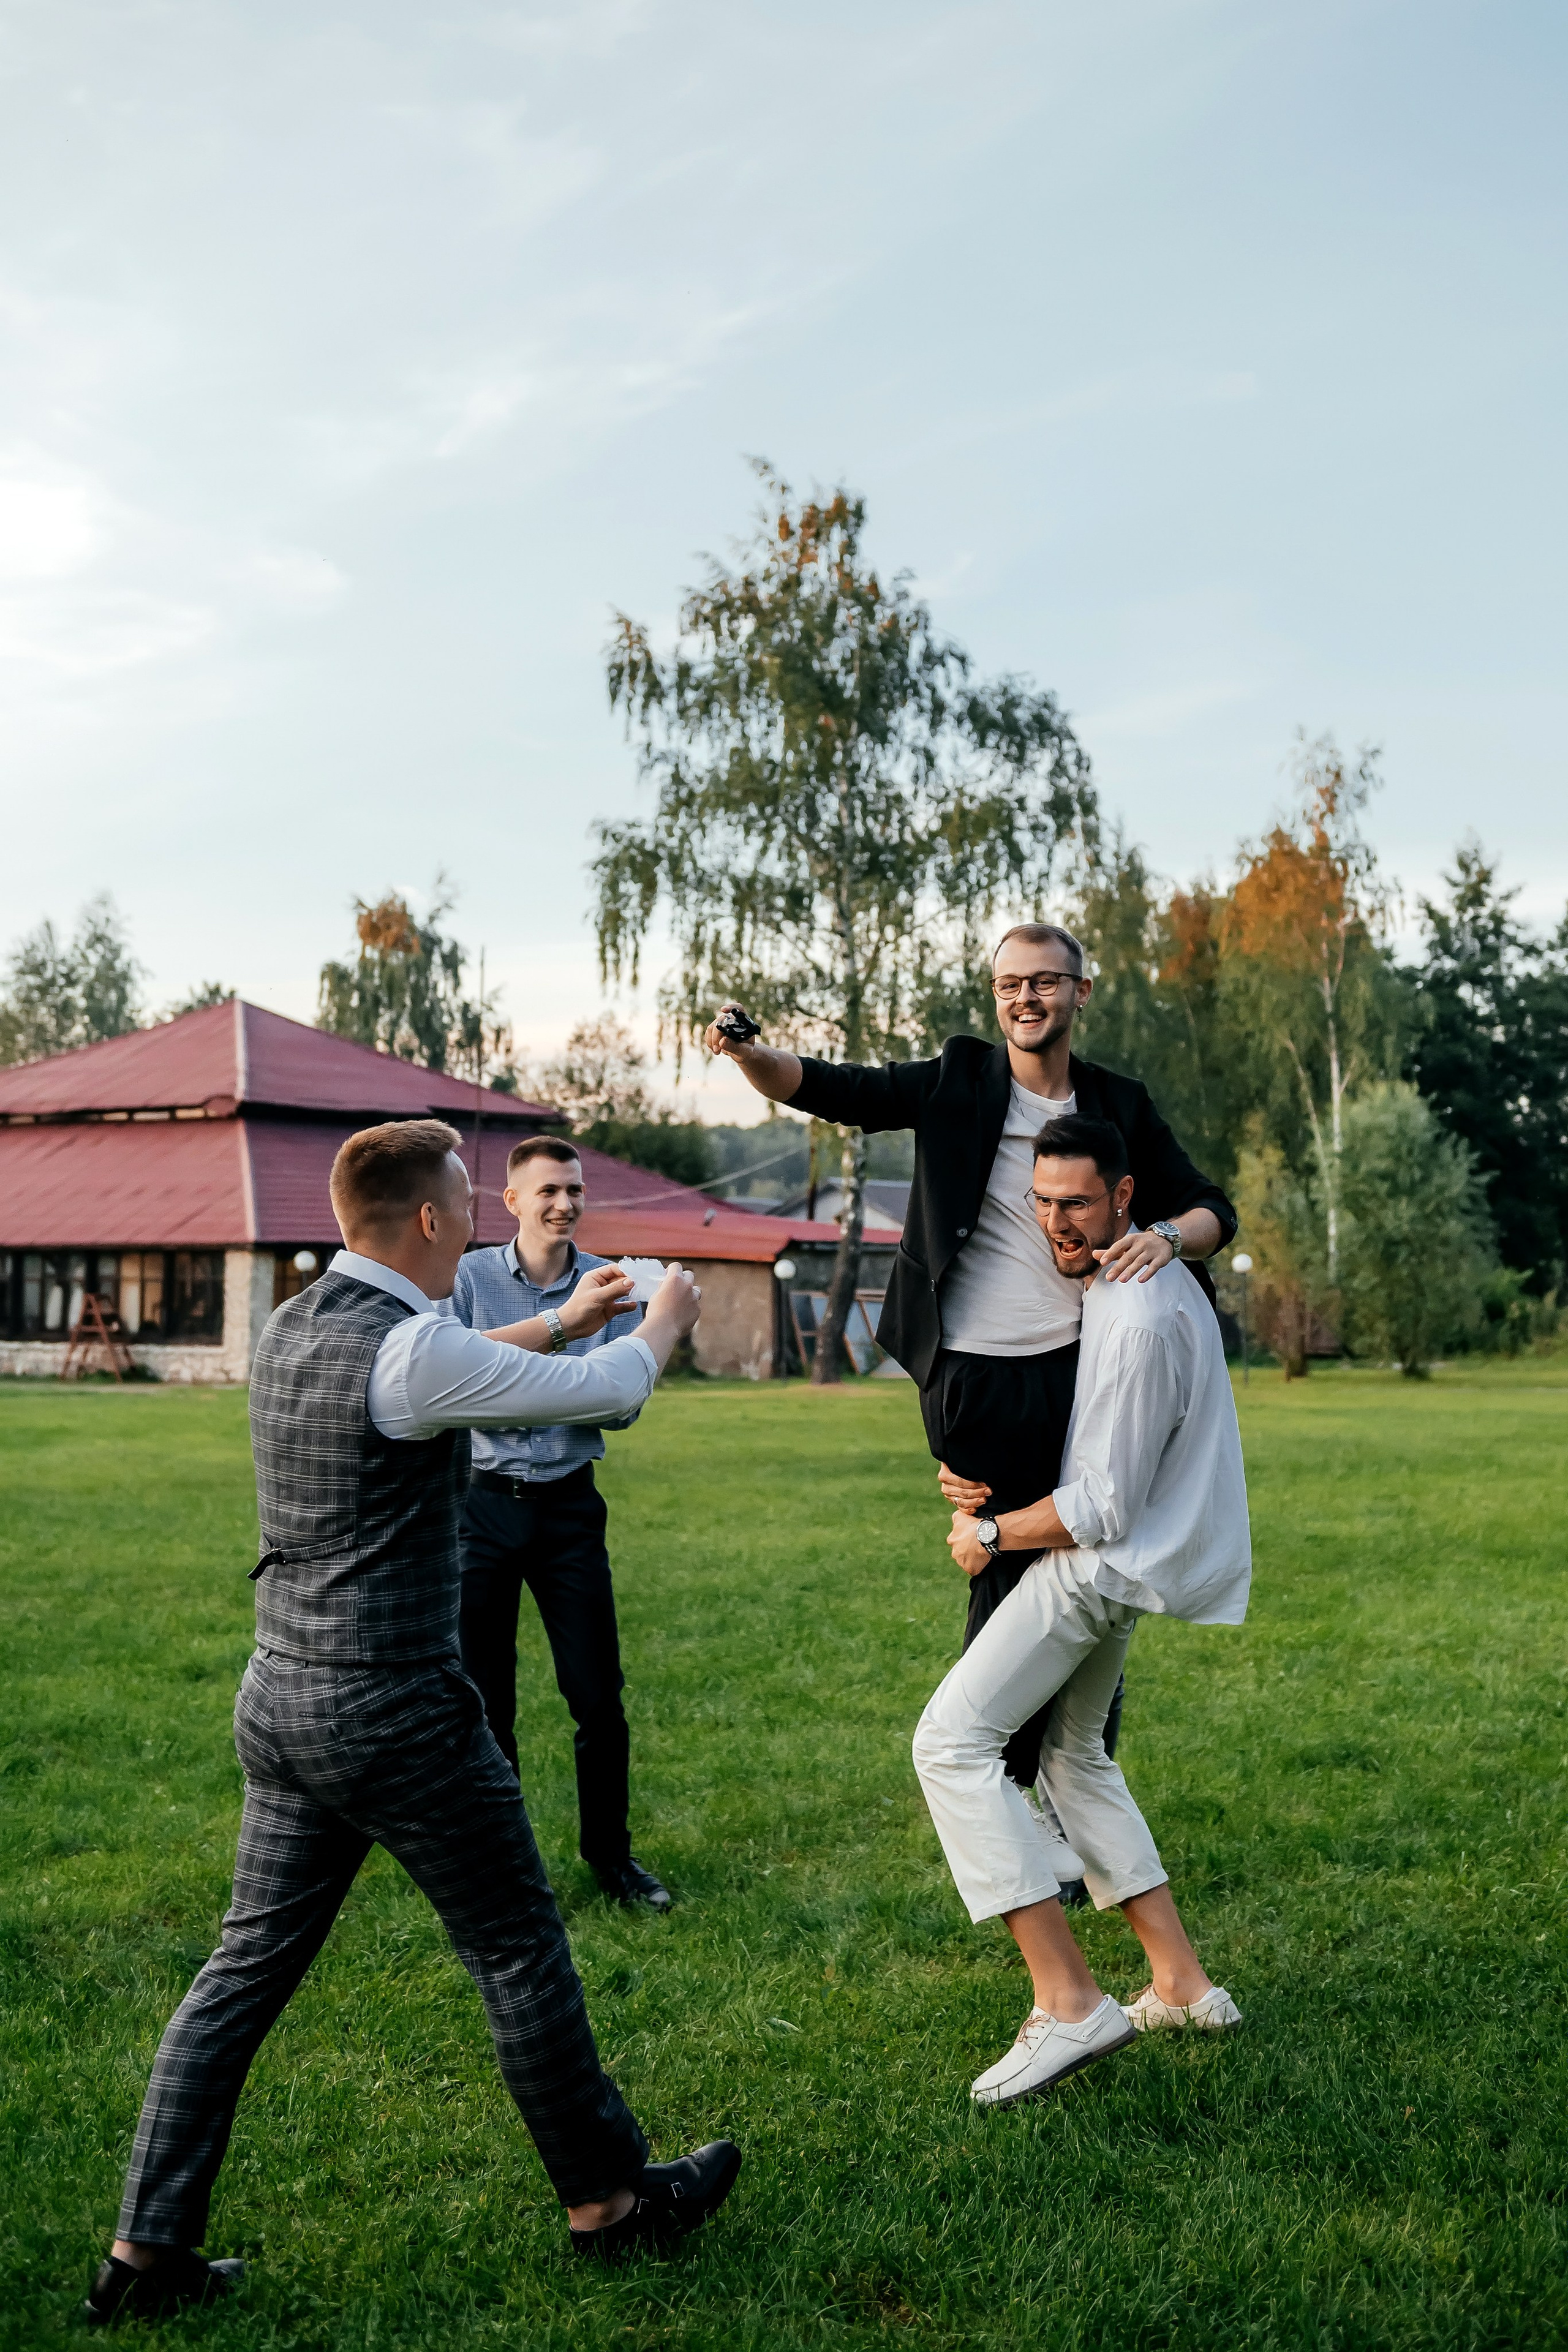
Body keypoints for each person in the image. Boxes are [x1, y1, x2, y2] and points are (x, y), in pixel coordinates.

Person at [85, 1120, 740, 2328]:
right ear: (429, 1223)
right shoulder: (409, 1350)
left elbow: (442, 1370)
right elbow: (609, 1398)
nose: (482, 1225)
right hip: (392, 1714)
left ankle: (144, 2255)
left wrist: (559, 1319)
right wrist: (658, 1320)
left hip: (281, 1697)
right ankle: (608, 2204)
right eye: (466, 1206)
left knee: (239, 1973)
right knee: (517, 1943)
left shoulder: (296, 1324)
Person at [703, 923, 1236, 1801]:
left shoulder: (1116, 1104)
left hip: (1080, 1368)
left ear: (1081, 992)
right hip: (976, 1377)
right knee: (1008, 1576)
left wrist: (1170, 1240)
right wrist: (748, 1051)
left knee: (1089, 1572)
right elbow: (837, 1089)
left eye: (1046, 983)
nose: (1027, 999)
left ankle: (1077, 1782)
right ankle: (1001, 1786)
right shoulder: (959, 1078)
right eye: (1010, 985)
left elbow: (1212, 1207)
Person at [911, 1114, 1250, 2107]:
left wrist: (990, 1535)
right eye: (1045, 1202)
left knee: (950, 1744)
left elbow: (1101, 1502)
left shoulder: (1138, 1311)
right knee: (1073, 1757)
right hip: (1121, 1569)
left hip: (1098, 1569)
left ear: (1124, 1199)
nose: (1058, 1221)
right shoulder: (1128, 1280)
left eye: (1078, 1203)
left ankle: (1068, 2003)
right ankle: (1182, 1987)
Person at [444, 1137, 670, 1910]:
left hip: (571, 1508)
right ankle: (502, 1874)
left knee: (597, 1700)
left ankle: (612, 1862)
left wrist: (526, 1374)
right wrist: (568, 1371)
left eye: (573, 1190)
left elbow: (622, 1404)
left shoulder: (610, 1282)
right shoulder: (469, 1278)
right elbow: (459, 1391)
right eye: (546, 1191)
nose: (563, 1204)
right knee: (484, 1702)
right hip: (480, 1510)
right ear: (511, 1202)